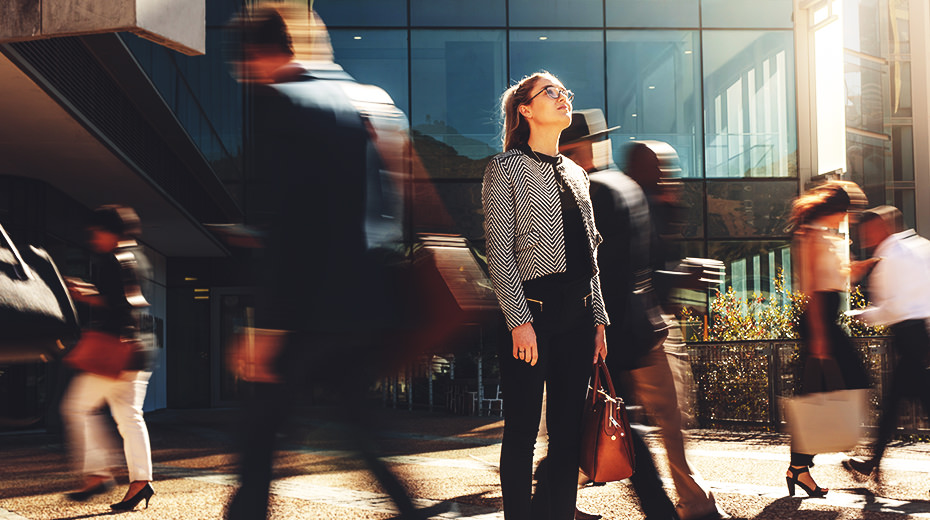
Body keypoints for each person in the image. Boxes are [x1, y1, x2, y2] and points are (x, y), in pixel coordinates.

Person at [225, 5, 423, 519]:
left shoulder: (282, 103)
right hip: (362, 303)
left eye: (240, 62)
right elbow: (379, 207)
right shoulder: (348, 101)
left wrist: (266, 328)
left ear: (255, 55)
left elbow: (293, 224)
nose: (241, 74)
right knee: (363, 435)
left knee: (260, 436)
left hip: (308, 311)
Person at [482, 72, 609, 520]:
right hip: (530, 317)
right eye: (551, 92)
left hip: (577, 320)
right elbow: (499, 252)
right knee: (520, 433)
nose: (563, 97)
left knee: (567, 433)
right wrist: (518, 321)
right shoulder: (506, 167)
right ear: (525, 109)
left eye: (565, 91)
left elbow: (589, 252)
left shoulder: (576, 173)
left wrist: (599, 321)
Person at [560, 110, 679, 520]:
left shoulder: (589, 191)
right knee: (610, 418)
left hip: (603, 329)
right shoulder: (625, 185)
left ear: (570, 151)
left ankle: (656, 507)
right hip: (635, 325)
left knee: (595, 420)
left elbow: (590, 271)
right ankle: (560, 502)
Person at [624, 142, 729, 520]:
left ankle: (693, 501)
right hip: (639, 332)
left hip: (655, 327)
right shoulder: (635, 206)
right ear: (638, 169)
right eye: (659, 165)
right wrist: (684, 274)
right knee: (663, 421)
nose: (669, 171)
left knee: (663, 421)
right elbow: (637, 273)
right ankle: (694, 504)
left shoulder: (660, 207)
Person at [61, 205, 155, 511]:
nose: (93, 239)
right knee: (130, 418)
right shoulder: (138, 258)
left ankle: (98, 473)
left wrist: (86, 295)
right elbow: (129, 299)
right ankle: (140, 481)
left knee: (75, 408)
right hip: (137, 353)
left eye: (95, 232)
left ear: (109, 231)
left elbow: (121, 304)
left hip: (115, 350)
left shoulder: (117, 259)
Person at [785, 180, 873, 497]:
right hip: (819, 321)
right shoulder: (809, 235)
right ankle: (801, 466)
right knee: (837, 388)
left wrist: (864, 266)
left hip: (827, 321)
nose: (848, 219)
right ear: (837, 209)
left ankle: (799, 467)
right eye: (848, 213)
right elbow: (811, 288)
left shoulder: (827, 237)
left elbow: (841, 278)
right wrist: (820, 338)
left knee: (817, 395)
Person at [843, 206, 930, 481]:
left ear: (881, 227)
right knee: (892, 405)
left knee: (900, 405)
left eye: (866, 231)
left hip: (911, 336)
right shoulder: (923, 247)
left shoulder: (890, 257)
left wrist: (862, 315)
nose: (863, 238)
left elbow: (894, 308)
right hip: (921, 336)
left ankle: (872, 462)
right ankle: (872, 463)